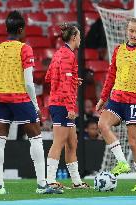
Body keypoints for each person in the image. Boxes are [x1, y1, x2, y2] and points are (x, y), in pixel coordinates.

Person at [0, 11, 62, 195]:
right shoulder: (25, 48)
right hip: (20, 98)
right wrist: (36, 107)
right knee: (36, 138)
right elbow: (29, 82)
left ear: (7, 29)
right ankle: (41, 184)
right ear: (21, 29)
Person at [96, 17, 136, 192]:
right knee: (102, 124)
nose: (134, 34)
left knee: (134, 143)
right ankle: (123, 163)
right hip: (117, 99)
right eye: (131, 30)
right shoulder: (118, 50)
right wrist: (103, 98)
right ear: (127, 31)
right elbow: (111, 75)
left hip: (135, 102)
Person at [45, 23, 90, 189]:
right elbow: (63, 82)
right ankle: (49, 180)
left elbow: (49, 76)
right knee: (59, 142)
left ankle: (77, 182)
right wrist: (71, 107)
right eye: (79, 35)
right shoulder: (68, 56)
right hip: (62, 104)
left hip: (60, 102)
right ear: (73, 37)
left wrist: (71, 80)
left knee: (72, 143)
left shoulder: (59, 53)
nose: (80, 38)